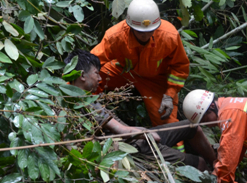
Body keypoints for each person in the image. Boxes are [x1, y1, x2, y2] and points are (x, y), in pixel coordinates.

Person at [65, 50, 214, 171]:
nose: (100, 79)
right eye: (96, 73)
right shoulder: (84, 103)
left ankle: (217, 165)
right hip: (137, 146)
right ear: (83, 76)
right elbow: (123, 131)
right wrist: (147, 134)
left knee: (191, 126)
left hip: (138, 138)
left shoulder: (73, 98)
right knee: (199, 163)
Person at [91, 0, 189, 129]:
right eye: (141, 32)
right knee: (93, 75)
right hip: (124, 71)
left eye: (150, 31)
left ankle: (177, 149)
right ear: (130, 26)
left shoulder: (169, 35)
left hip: (155, 80)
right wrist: (72, 85)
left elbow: (180, 67)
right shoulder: (115, 36)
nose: (146, 36)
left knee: (168, 125)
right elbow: (93, 61)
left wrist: (169, 95)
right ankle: (89, 104)